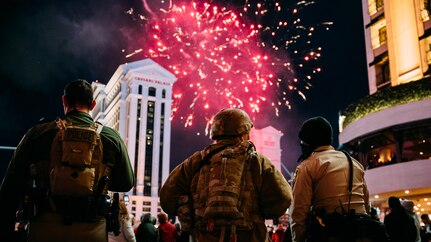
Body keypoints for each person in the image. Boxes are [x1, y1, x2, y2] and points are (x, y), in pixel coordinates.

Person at [0, 79, 135, 242]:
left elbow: (10, 188)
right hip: (92, 231)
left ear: (64, 101)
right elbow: (126, 183)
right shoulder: (111, 137)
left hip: (44, 230)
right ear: (92, 105)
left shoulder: (38, 133)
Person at [159, 108, 292, 242]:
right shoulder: (257, 161)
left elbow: (167, 199)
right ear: (242, 134)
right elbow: (283, 198)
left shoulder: (196, 161)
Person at [289, 116, 371, 242]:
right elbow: (366, 205)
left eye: (303, 141)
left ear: (308, 142)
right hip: (363, 233)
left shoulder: (307, 166)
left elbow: (298, 212)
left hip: (331, 234)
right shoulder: (354, 163)